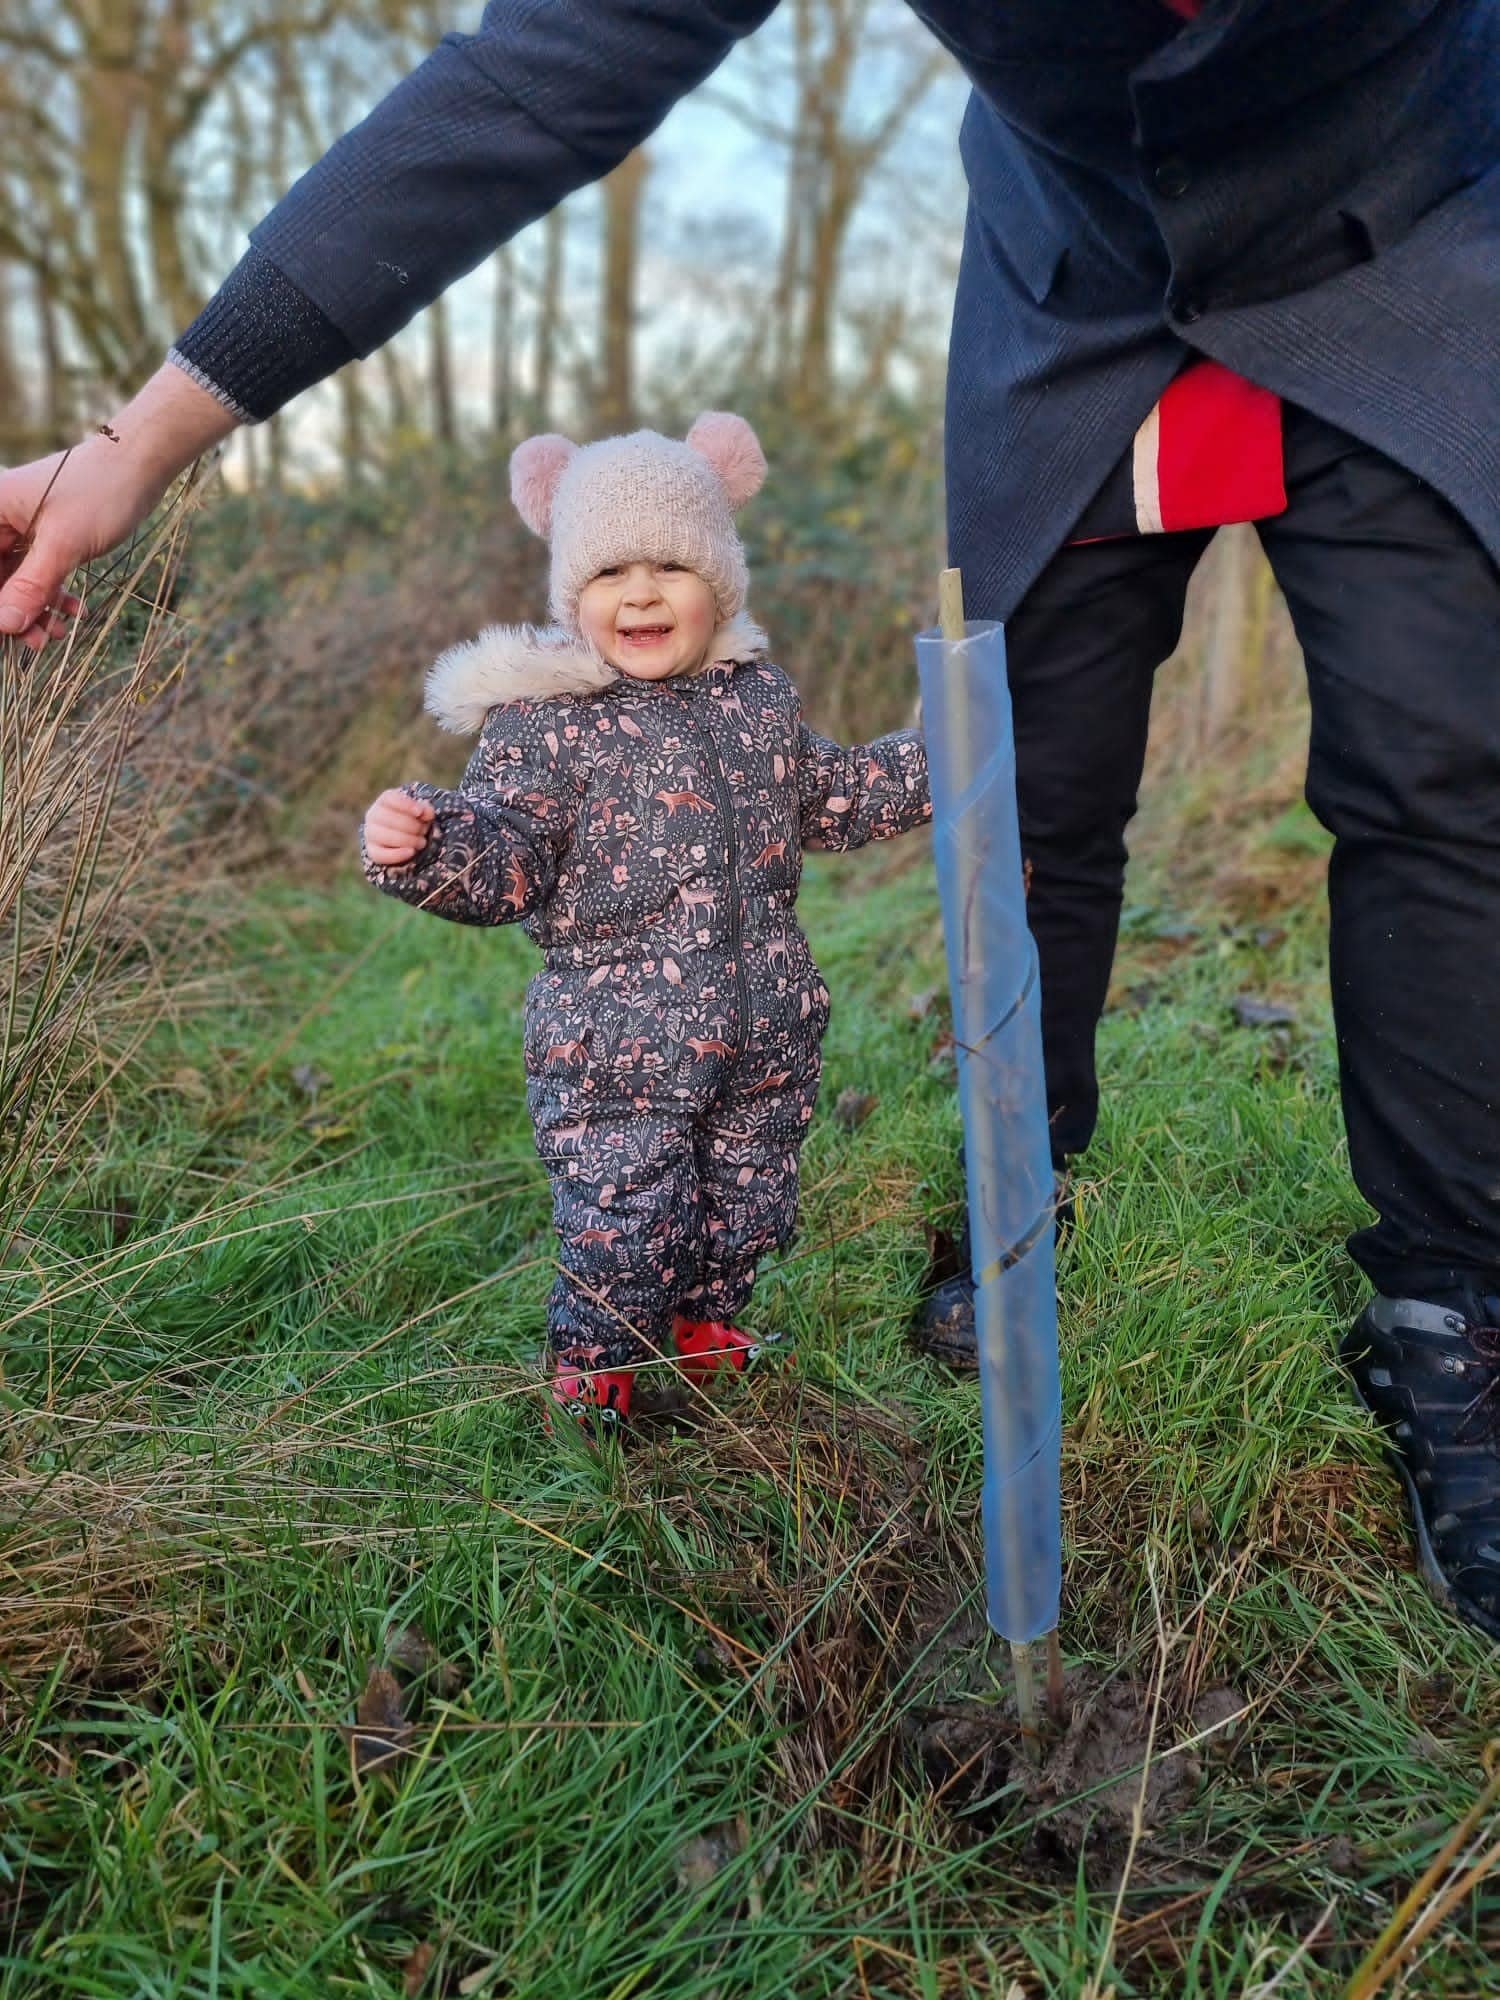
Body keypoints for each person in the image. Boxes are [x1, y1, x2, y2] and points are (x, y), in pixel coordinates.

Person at [1, 2, 1495, 1628]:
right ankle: (1011, 1211)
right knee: (1025, 792)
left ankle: (1447, 1304)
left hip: (1409, 258)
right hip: (1080, 291)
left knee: (1443, 780)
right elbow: (527, 83)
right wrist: (141, 439)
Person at [359, 412, 930, 1425]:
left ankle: (708, 1323)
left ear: (719, 580)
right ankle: (596, 1367)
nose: (642, 591)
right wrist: (431, 845)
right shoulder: (544, 725)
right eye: (613, 570)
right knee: (626, 1214)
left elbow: (831, 794)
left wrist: (936, 759)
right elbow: (508, 859)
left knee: (751, 1198)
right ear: (576, 593)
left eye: (672, 563)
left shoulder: (756, 701)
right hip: (616, 1048)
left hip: (764, 1029)